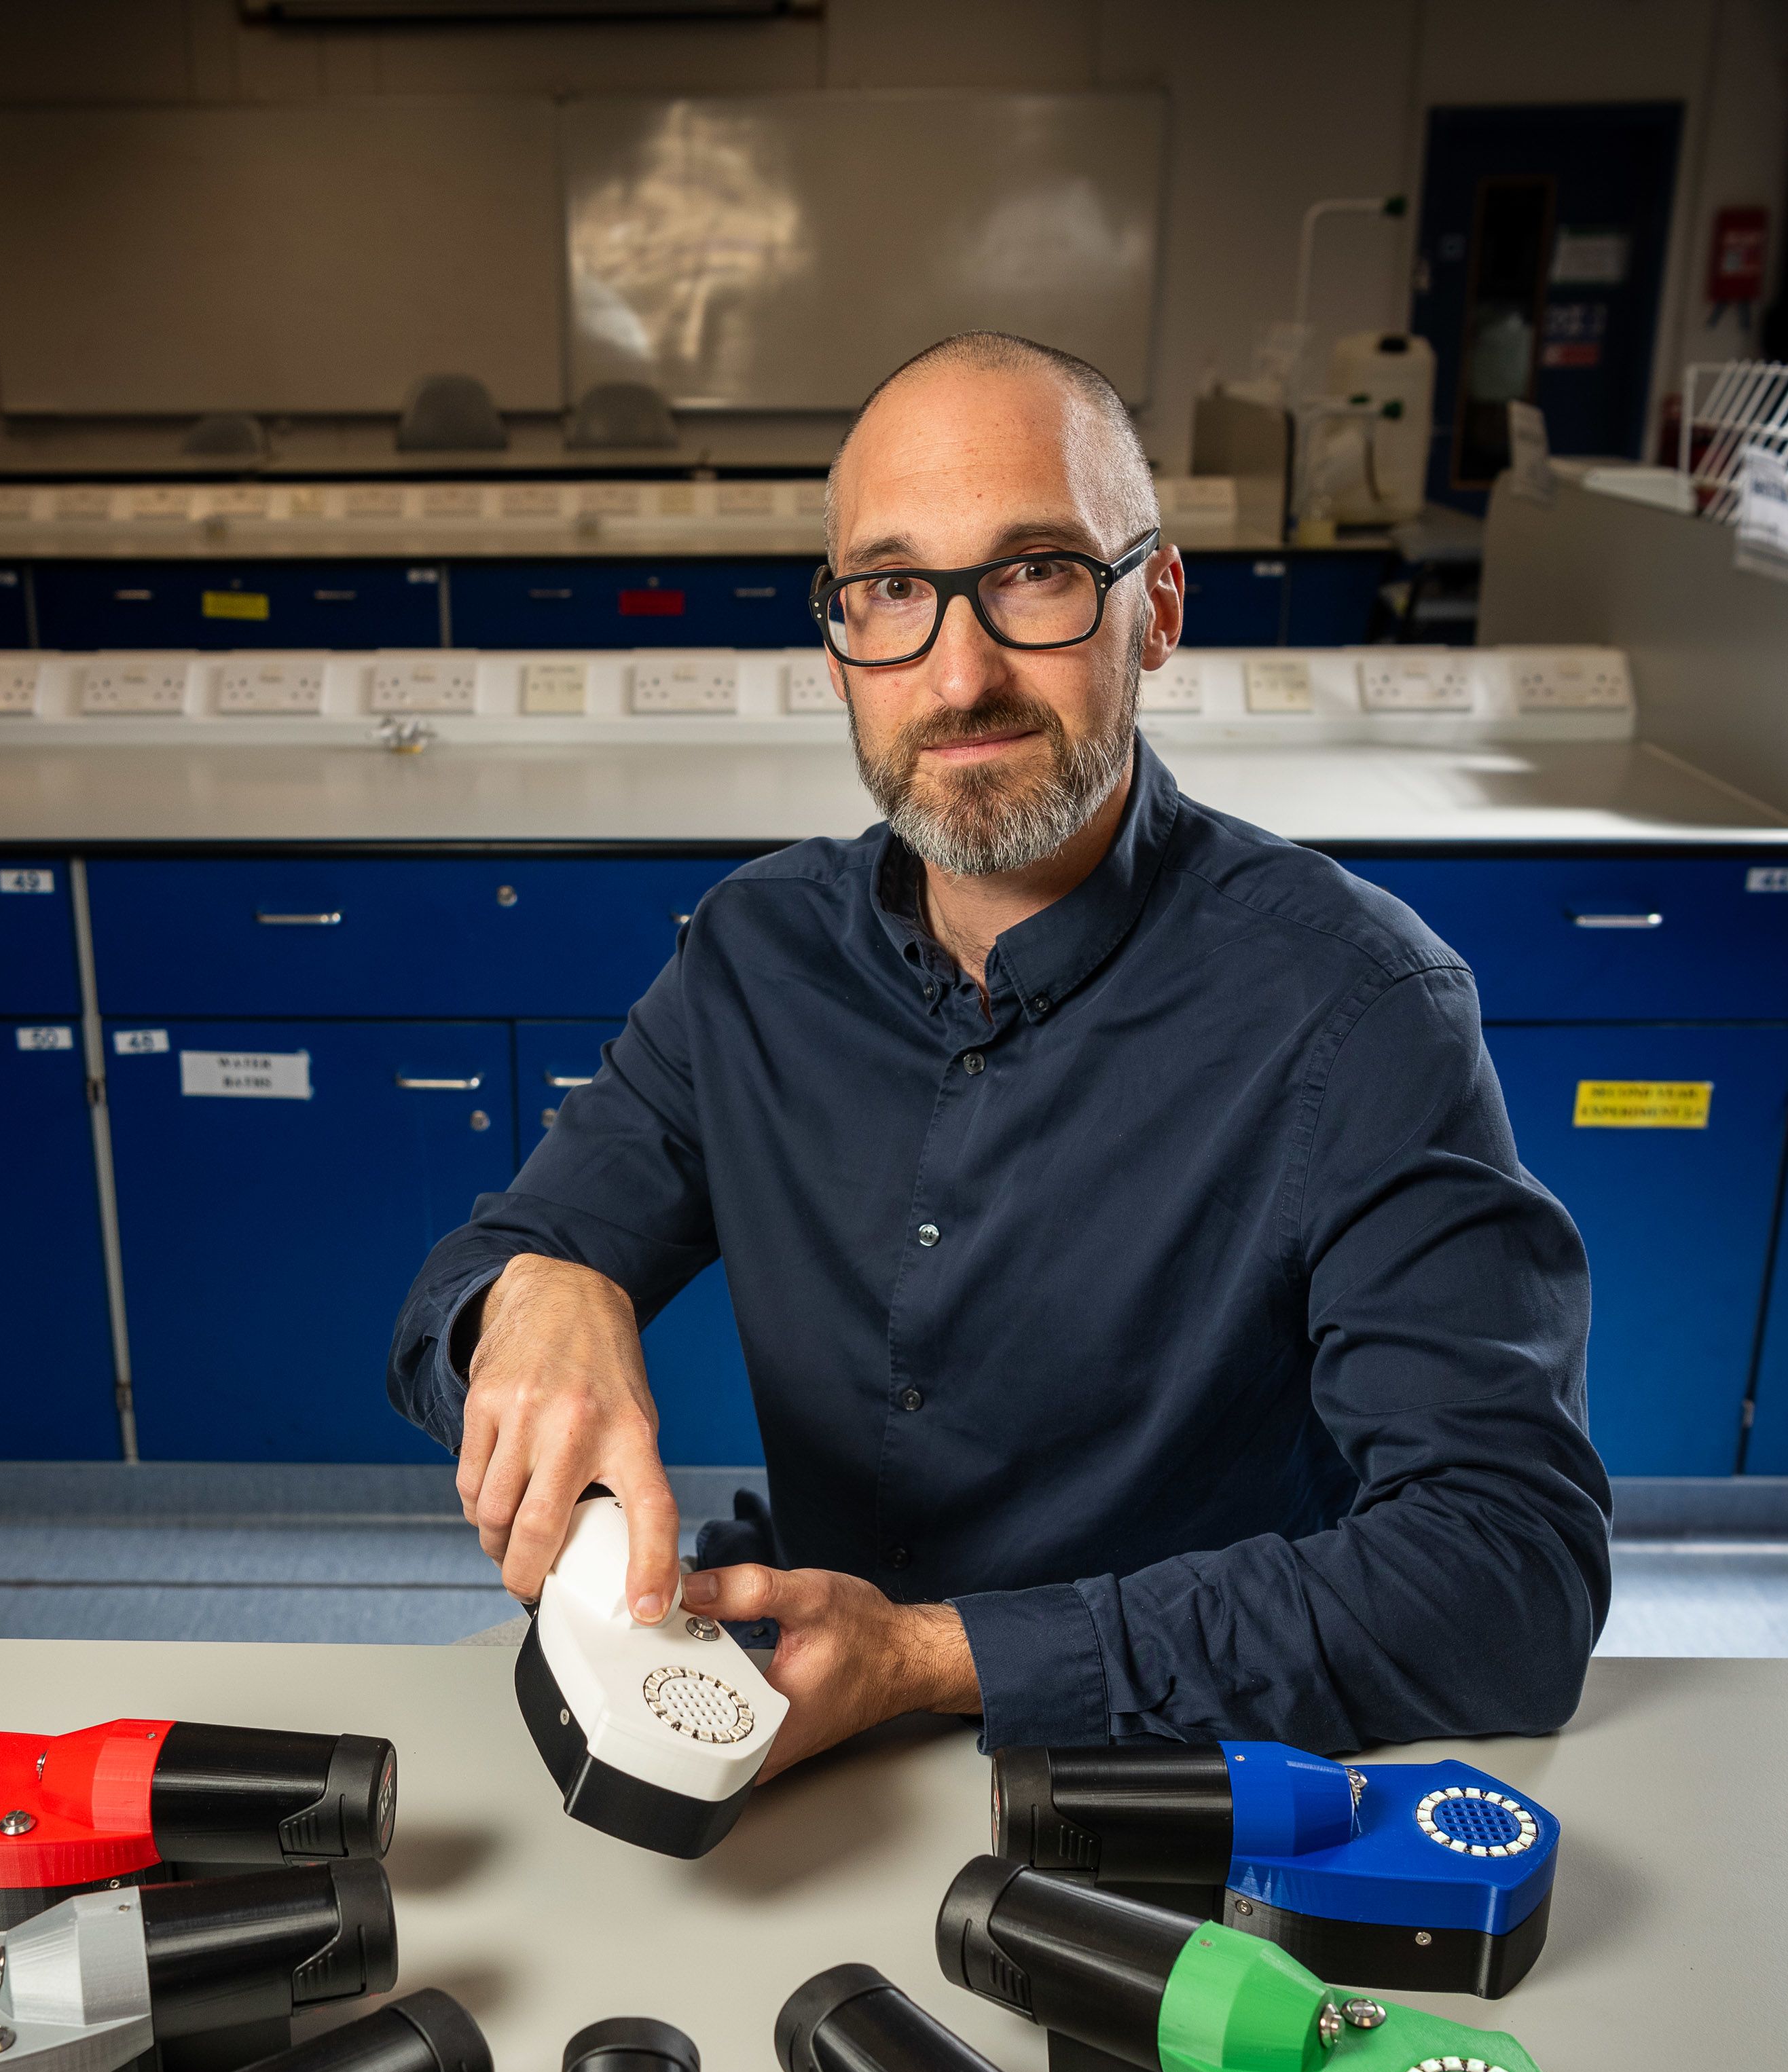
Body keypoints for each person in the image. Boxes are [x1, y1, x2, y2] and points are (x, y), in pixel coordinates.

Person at [389, 332, 1610, 1779]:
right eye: (895, 590)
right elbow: (456, 1302)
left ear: (1154, 607)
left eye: (1034, 572)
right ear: (839, 641)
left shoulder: (1356, 1004)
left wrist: (931, 1660)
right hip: (811, 1761)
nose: (958, 674)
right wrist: (536, 1298)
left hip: (1170, 1783)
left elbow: (1509, 1578)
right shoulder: (755, 958)